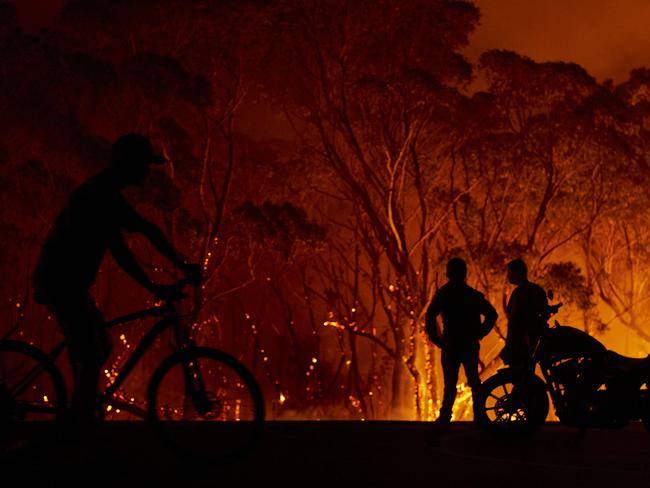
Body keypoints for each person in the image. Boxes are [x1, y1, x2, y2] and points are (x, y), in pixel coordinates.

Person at [32, 133, 200, 435]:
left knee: (98, 347)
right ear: (128, 164)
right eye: (144, 165)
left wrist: (182, 263)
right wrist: (157, 286)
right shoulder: (100, 196)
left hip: (69, 283)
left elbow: (147, 229)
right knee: (93, 354)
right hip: (61, 282)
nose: (147, 172)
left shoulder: (108, 192)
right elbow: (122, 254)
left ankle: (79, 414)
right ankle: (78, 432)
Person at [425, 257, 498, 426]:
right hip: (469, 343)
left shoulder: (443, 294)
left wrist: (436, 339)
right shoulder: (472, 295)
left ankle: (445, 418)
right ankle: (479, 417)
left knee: (450, 384)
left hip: (451, 344)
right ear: (464, 273)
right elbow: (492, 314)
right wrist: (480, 333)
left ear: (448, 273)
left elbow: (430, 315)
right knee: (474, 382)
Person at [500, 258, 549, 369]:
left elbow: (514, 321)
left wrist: (510, 346)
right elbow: (545, 312)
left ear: (518, 272)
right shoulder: (537, 289)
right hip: (537, 341)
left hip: (520, 345)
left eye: (510, 272)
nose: (508, 276)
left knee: (520, 378)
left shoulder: (519, 293)